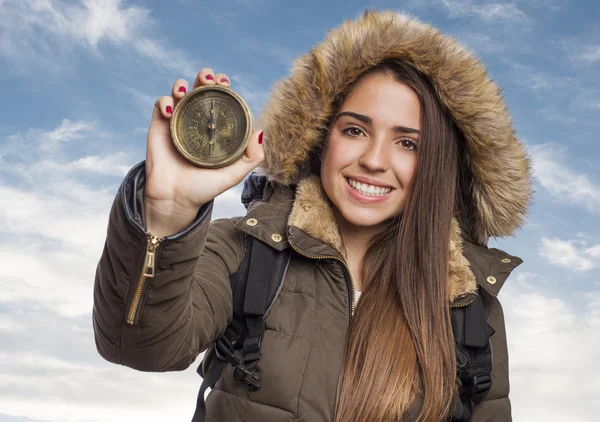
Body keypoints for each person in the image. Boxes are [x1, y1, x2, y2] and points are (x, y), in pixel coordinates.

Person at [93, 10, 531, 422]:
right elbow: (137, 346)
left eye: (407, 143)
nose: (375, 160)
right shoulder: (246, 250)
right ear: (322, 138)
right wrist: (166, 217)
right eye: (355, 130)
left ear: (436, 165)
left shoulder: (469, 304)